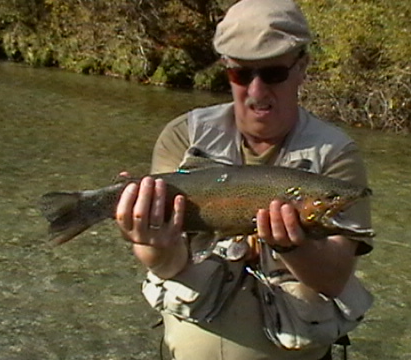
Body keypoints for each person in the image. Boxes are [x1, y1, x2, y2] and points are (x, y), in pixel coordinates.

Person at [115, 0, 374, 359]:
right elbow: (163, 263)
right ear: (226, 69)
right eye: (241, 74)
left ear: (302, 67)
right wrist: (150, 239)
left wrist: (294, 246)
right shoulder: (183, 137)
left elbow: (334, 277)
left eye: (273, 74)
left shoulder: (334, 155)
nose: (256, 91)